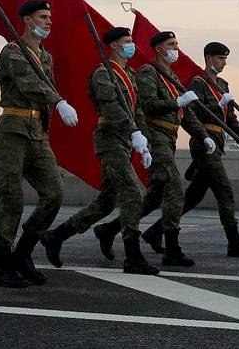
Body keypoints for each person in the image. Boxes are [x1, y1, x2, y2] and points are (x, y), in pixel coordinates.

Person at [38, 26, 157, 274]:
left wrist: (142, 139)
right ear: (114, 46)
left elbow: (138, 111)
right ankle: (133, 256)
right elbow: (112, 108)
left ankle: (57, 236)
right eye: (127, 41)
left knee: (106, 203)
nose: (131, 45)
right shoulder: (103, 74)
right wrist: (132, 131)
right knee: (133, 193)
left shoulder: (130, 74)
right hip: (110, 139)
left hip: (126, 140)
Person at [0, 0, 79, 288]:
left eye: (49, 17)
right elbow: (30, 83)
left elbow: (45, 86)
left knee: (54, 192)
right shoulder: (12, 52)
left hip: (37, 134)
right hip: (13, 133)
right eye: (43, 17)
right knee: (11, 199)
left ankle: (23, 252)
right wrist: (59, 101)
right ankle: (2, 266)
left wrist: (54, 109)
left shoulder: (46, 55)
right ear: (28, 20)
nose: (49, 22)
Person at [141, 41, 239, 258]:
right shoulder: (198, 82)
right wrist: (218, 105)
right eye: (219, 58)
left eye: (225, 59)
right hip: (203, 142)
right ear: (208, 58)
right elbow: (194, 111)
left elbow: (230, 118)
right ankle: (234, 242)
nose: (223, 63)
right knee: (224, 190)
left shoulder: (222, 84)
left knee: (193, 196)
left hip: (216, 141)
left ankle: (155, 230)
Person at [129, 30, 210, 267]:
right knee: (175, 189)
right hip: (155, 137)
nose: (176, 48)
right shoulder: (149, 73)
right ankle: (172, 248)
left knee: (154, 197)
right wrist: (175, 102)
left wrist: (203, 136)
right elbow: (148, 105)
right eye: (171, 44)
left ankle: (110, 229)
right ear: (159, 49)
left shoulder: (172, 76)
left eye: (176, 43)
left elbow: (186, 114)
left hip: (170, 137)